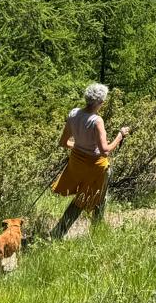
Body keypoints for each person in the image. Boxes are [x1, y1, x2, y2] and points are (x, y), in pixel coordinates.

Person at [49, 82, 129, 239]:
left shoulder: (73, 114)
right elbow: (105, 151)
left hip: (77, 162)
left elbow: (63, 143)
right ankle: (84, 232)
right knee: (94, 198)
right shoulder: (96, 121)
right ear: (100, 102)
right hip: (95, 166)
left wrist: (79, 147)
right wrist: (120, 135)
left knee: (86, 197)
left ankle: (64, 232)